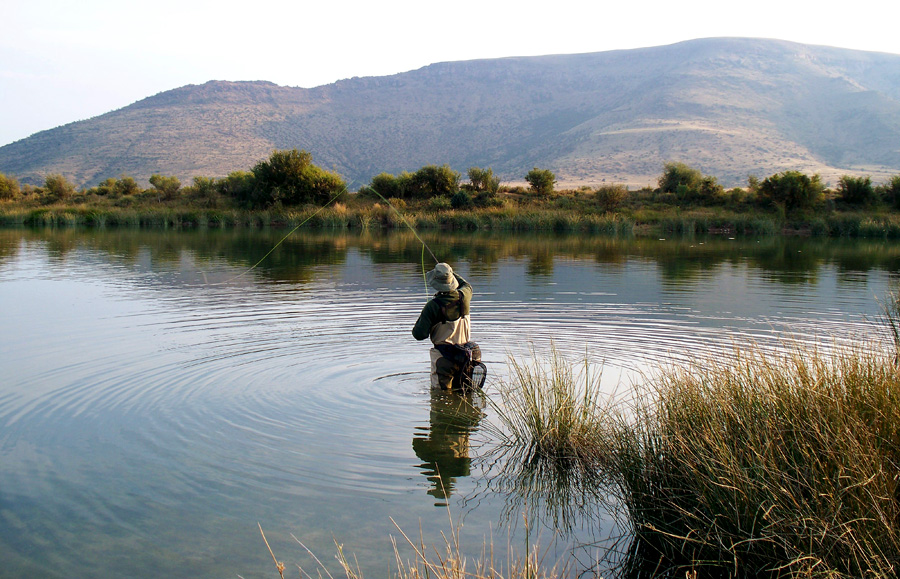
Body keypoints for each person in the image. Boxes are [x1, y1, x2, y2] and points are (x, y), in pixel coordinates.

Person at [412, 262, 473, 389]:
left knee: (439, 397)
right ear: (452, 280)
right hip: (466, 356)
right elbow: (466, 285)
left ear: (435, 282)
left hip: (443, 358)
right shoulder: (465, 296)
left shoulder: (432, 306)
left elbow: (419, 335)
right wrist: (449, 272)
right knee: (464, 395)